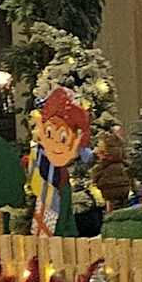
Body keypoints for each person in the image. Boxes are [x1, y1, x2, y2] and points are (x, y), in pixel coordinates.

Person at [28, 86, 95, 238]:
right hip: (50, 185)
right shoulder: (42, 151)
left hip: (58, 183)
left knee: (63, 216)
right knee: (56, 216)